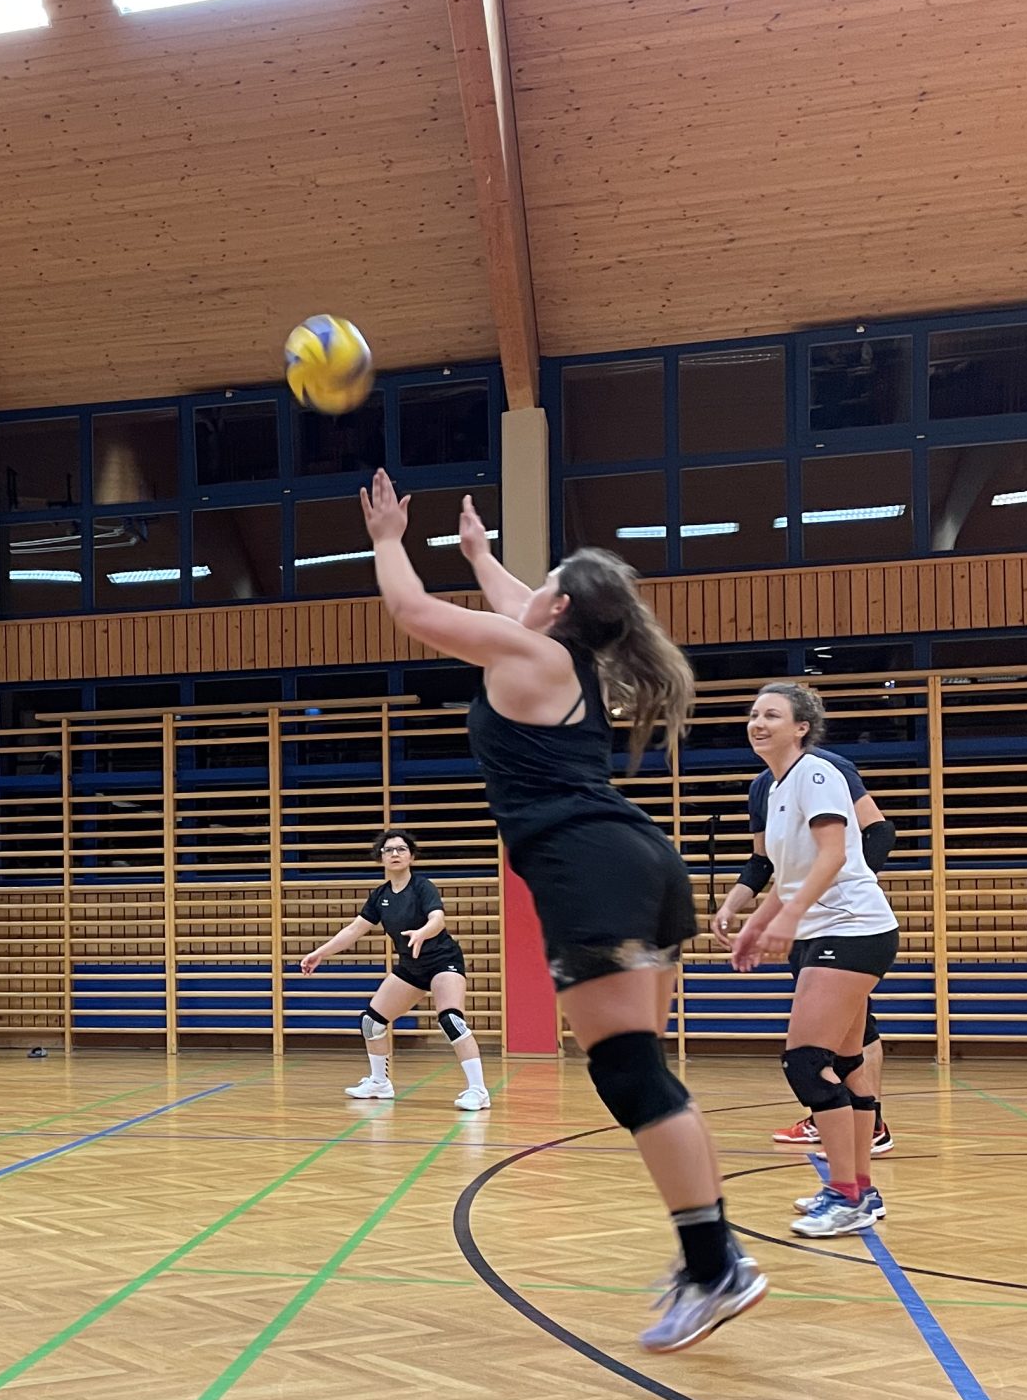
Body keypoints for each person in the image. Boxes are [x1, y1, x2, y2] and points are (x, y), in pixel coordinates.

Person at [365, 472, 762, 1352]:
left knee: (629, 1076)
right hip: (639, 861)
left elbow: (414, 614)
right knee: (643, 1071)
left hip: (595, 868)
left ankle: (716, 1267)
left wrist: (392, 536)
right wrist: (479, 554)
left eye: (543, 582)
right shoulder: (558, 652)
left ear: (561, 605)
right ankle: (712, 1255)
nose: (527, 588)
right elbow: (516, 600)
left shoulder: (535, 656)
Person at [727, 683, 899, 1238]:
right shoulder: (773, 790)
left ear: (801, 727)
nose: (758, 723)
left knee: (805, 1061)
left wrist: (788, 915)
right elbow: (788, 875)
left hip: (852, 930)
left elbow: (833, 854)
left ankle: (844, 1194)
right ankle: (860, 1192)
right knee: (846, 1064)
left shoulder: (817, 773)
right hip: (834, 931)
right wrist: (755, 923)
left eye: (771, 715)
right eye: (754, 715)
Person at [299, 829, 491, 1111]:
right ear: (381, 858)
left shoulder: (422, 887)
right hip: (411, 967)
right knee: (371, 1022)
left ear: (411, 856)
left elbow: (438, 918)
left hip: (443, 962)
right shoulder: (380, 896)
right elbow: (354, 929)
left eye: (401, 849)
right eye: (389, 850)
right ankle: (380, 1083)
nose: (395, 854)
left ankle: (478, 1091)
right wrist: (319, 953)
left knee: (451, 1020)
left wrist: (423, 933)